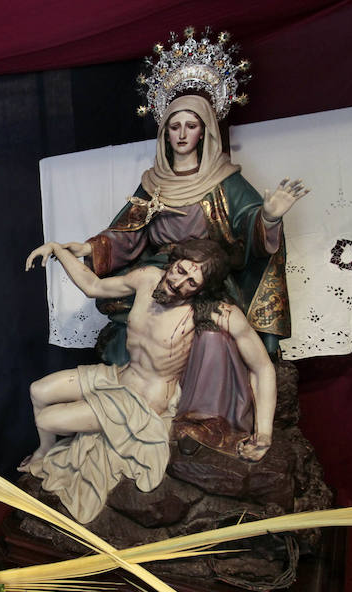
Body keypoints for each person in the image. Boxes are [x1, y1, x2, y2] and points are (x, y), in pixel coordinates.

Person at [58, 93, 307, 456]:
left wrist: (268, 217)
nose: (181, 134)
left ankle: (198, 415)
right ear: (164, 133)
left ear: (204, 132)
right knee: (131, 329)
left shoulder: (226, 181)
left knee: (212, 339)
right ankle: (131, 410)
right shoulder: (154, 182)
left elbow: (247, 231)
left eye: (191, 126)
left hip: (203, 281)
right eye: (174, 127)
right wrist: (88, 248)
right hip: (158, 278)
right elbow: (128, 231)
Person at [20, 238, 276, 524]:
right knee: (38, 391)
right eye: (181, 270)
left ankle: (55, 448)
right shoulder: (147, 279)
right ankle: (43, 452)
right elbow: (93, 286)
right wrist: (56, 249)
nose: (180, 283)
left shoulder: (215, 313)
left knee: (46, 420)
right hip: (119, 376)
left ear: (202, 290)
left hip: (144, 403)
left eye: (193, 282)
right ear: (173, 262)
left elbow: (262, 367)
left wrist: (263, 433)